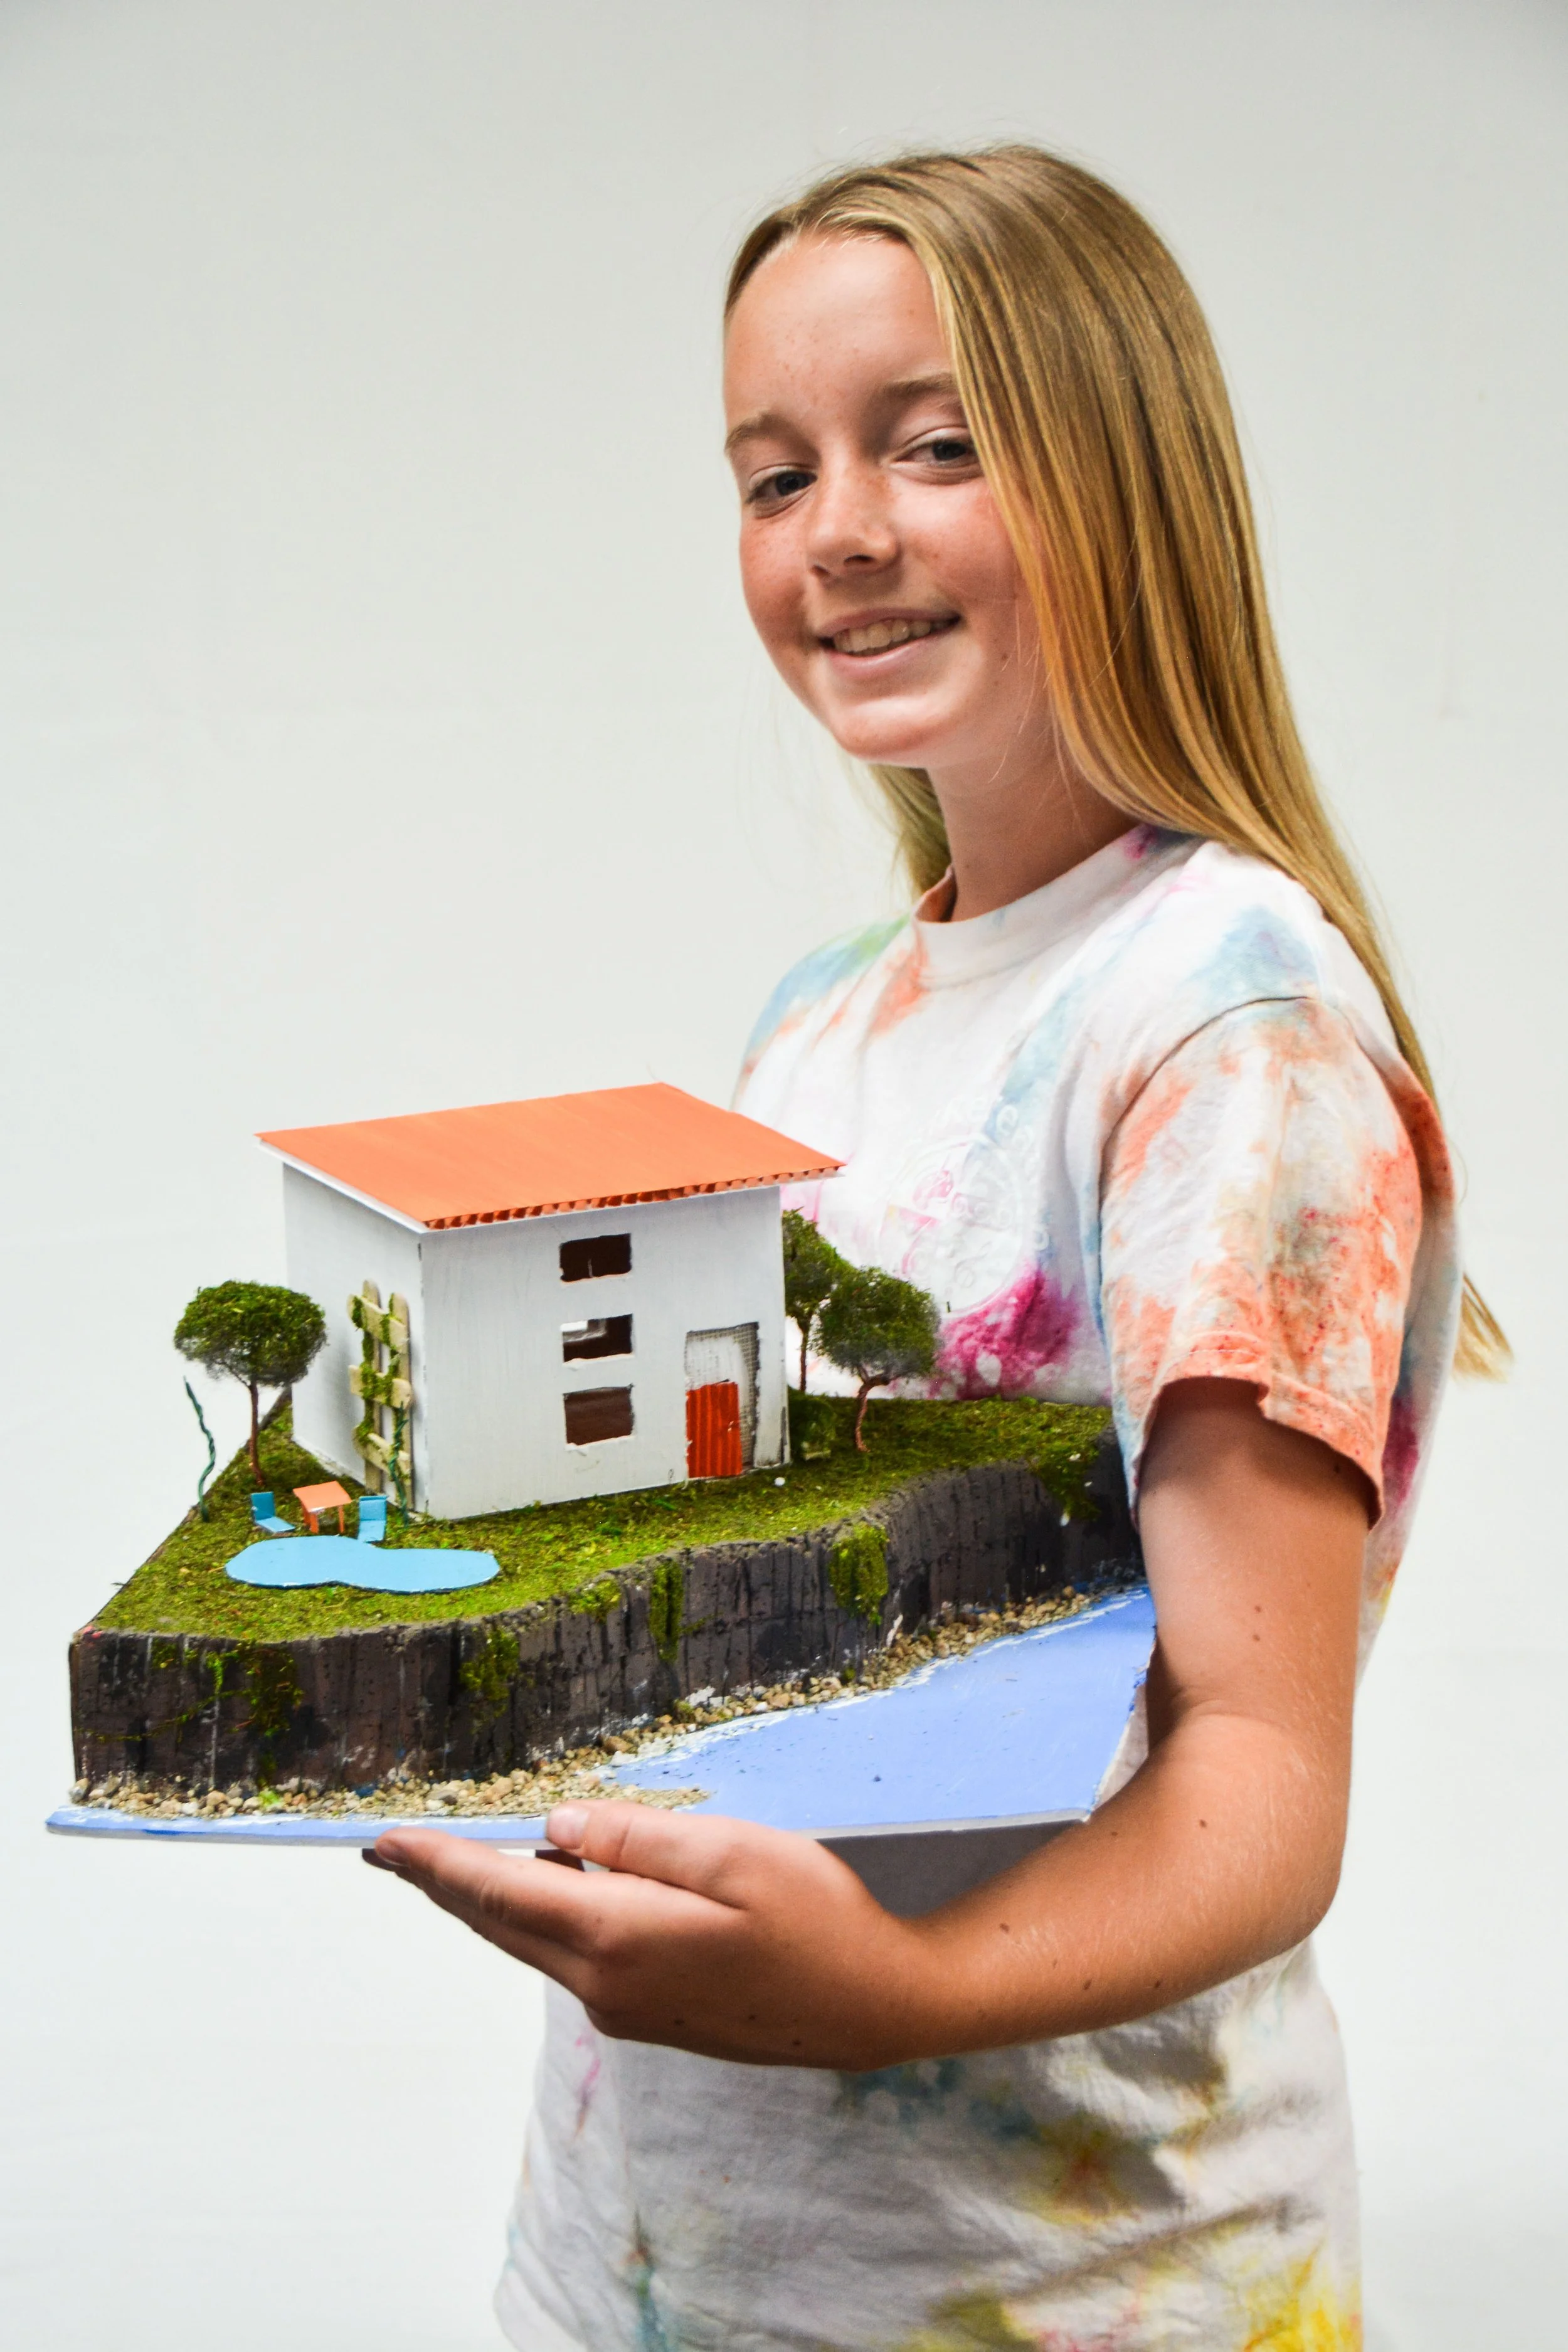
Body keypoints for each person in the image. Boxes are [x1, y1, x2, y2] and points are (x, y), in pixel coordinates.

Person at [367, 147, 1506, 2351]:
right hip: (660, 2250)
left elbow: (1260, 1781)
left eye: (937, 444)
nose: (839, 535)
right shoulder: (825, 1011)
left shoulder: (1220, 1021)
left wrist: (875, 1990)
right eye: (770, 472)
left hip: (1039, 2284)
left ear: (1126, 472)